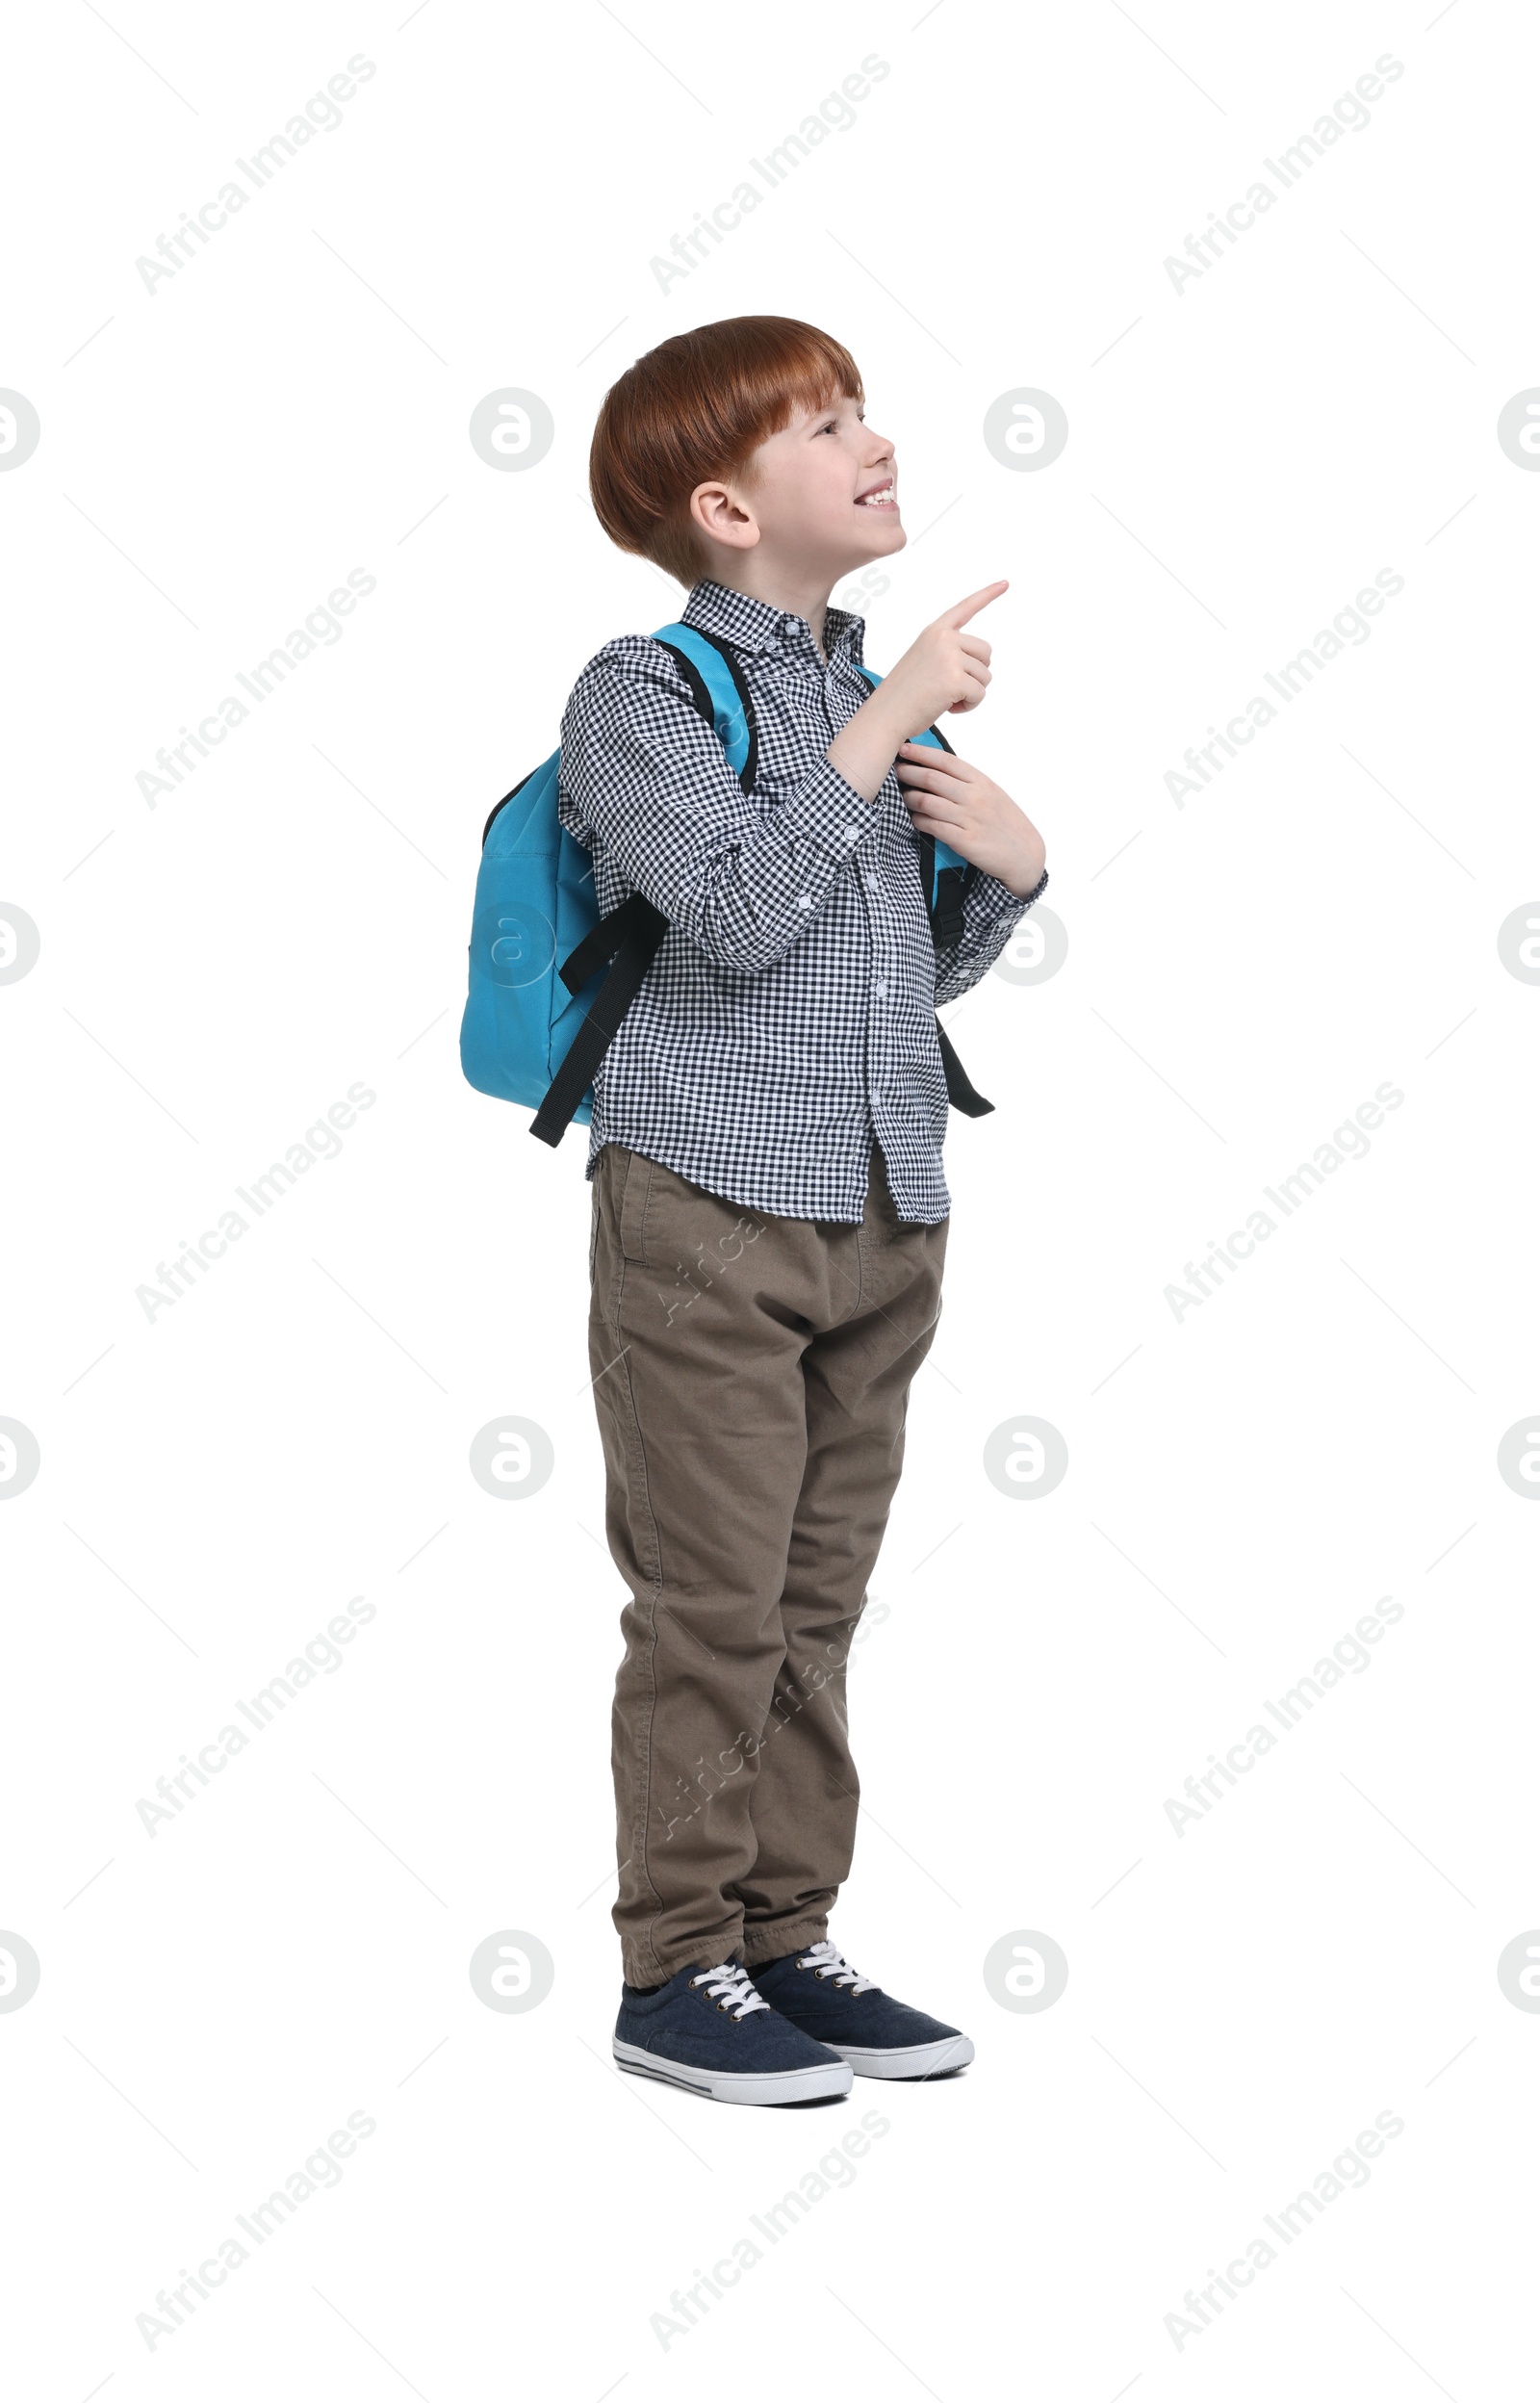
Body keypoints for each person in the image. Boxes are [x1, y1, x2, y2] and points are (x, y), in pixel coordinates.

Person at [558, 315, 1049, 2106]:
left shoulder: (858, 687)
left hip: (883, 1200)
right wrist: (900, 713)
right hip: (705, 1211)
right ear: (724, 504)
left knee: (816, 1600)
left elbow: (882, 973)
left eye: (866, 409)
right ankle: (674, 1966)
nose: (875, 438)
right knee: (712, 1605)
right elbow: (742, 911)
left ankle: (784, 1932)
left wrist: (1010, 876)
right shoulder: (640, 694)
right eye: (825, 422)